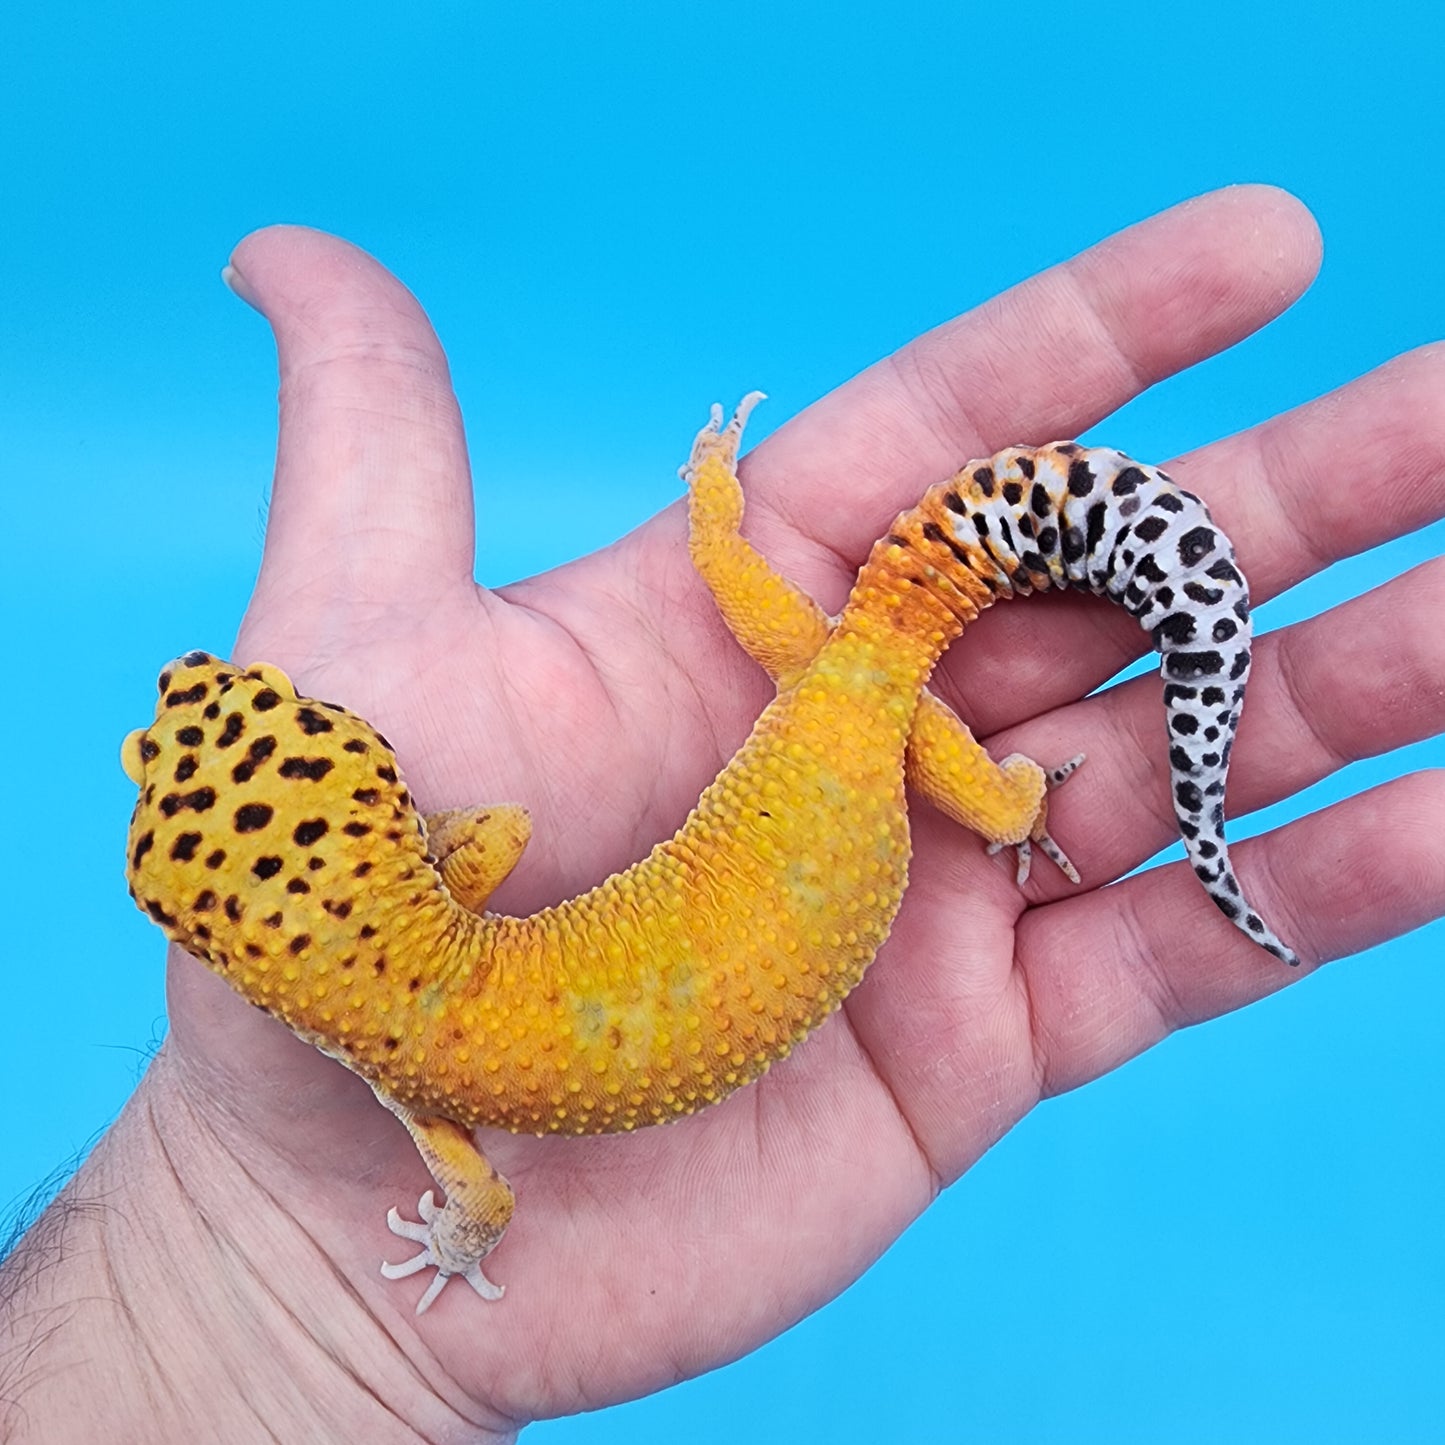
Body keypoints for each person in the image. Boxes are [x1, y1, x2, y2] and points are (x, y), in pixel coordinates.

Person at [1, 186, 1440, 1442]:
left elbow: (482, 1208)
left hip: (854, 758)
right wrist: (716, 519)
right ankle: (954, 699)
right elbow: (484, 834)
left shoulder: (424, 1101)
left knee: (900, 697)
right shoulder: (463, 876)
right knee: (895, 694)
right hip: (848, 737)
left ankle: (1041, 779)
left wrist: (345, 1273)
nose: (168, 711)